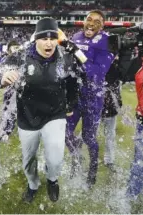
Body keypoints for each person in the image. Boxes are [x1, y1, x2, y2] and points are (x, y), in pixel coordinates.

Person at [0, 18, 78, 203]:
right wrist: (2, 78)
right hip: (28, 117)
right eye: (44, 38)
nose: (49, 43)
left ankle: (52, 179)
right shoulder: (21, 56)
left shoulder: (65, 57)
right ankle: (33, 185)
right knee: (29, 160)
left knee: (56, 154)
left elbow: (74, 82)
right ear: (36, 40)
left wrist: (70, 105)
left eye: (53, 38)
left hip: (54, 114)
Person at [65, 10, 115, 186]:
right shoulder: (76, 36)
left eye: (96, 21)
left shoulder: (108, 40)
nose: (91, 23)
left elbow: (98, 73)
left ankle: (92, 171)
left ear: (102, 25)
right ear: (84, 21)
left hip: (93, 96)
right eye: (89, 19)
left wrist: (77, 53)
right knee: (64, 133)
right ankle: (76, 158)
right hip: (75, 95)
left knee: (88, 137)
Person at [126, 55, 143, 201]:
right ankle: (130, 196)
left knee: (139, 162)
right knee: (139, 162)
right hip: (141, 121)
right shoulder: (140, 69)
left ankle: (130, 197)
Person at [101, 56, 122, 172]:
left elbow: (117, 86)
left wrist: (118, 103)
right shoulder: (94, 63)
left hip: (110, 106)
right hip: (95, 105)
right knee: (88, 134)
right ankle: (79, 155)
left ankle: (109, 160)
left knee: (110, 134)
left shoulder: (113, 66)